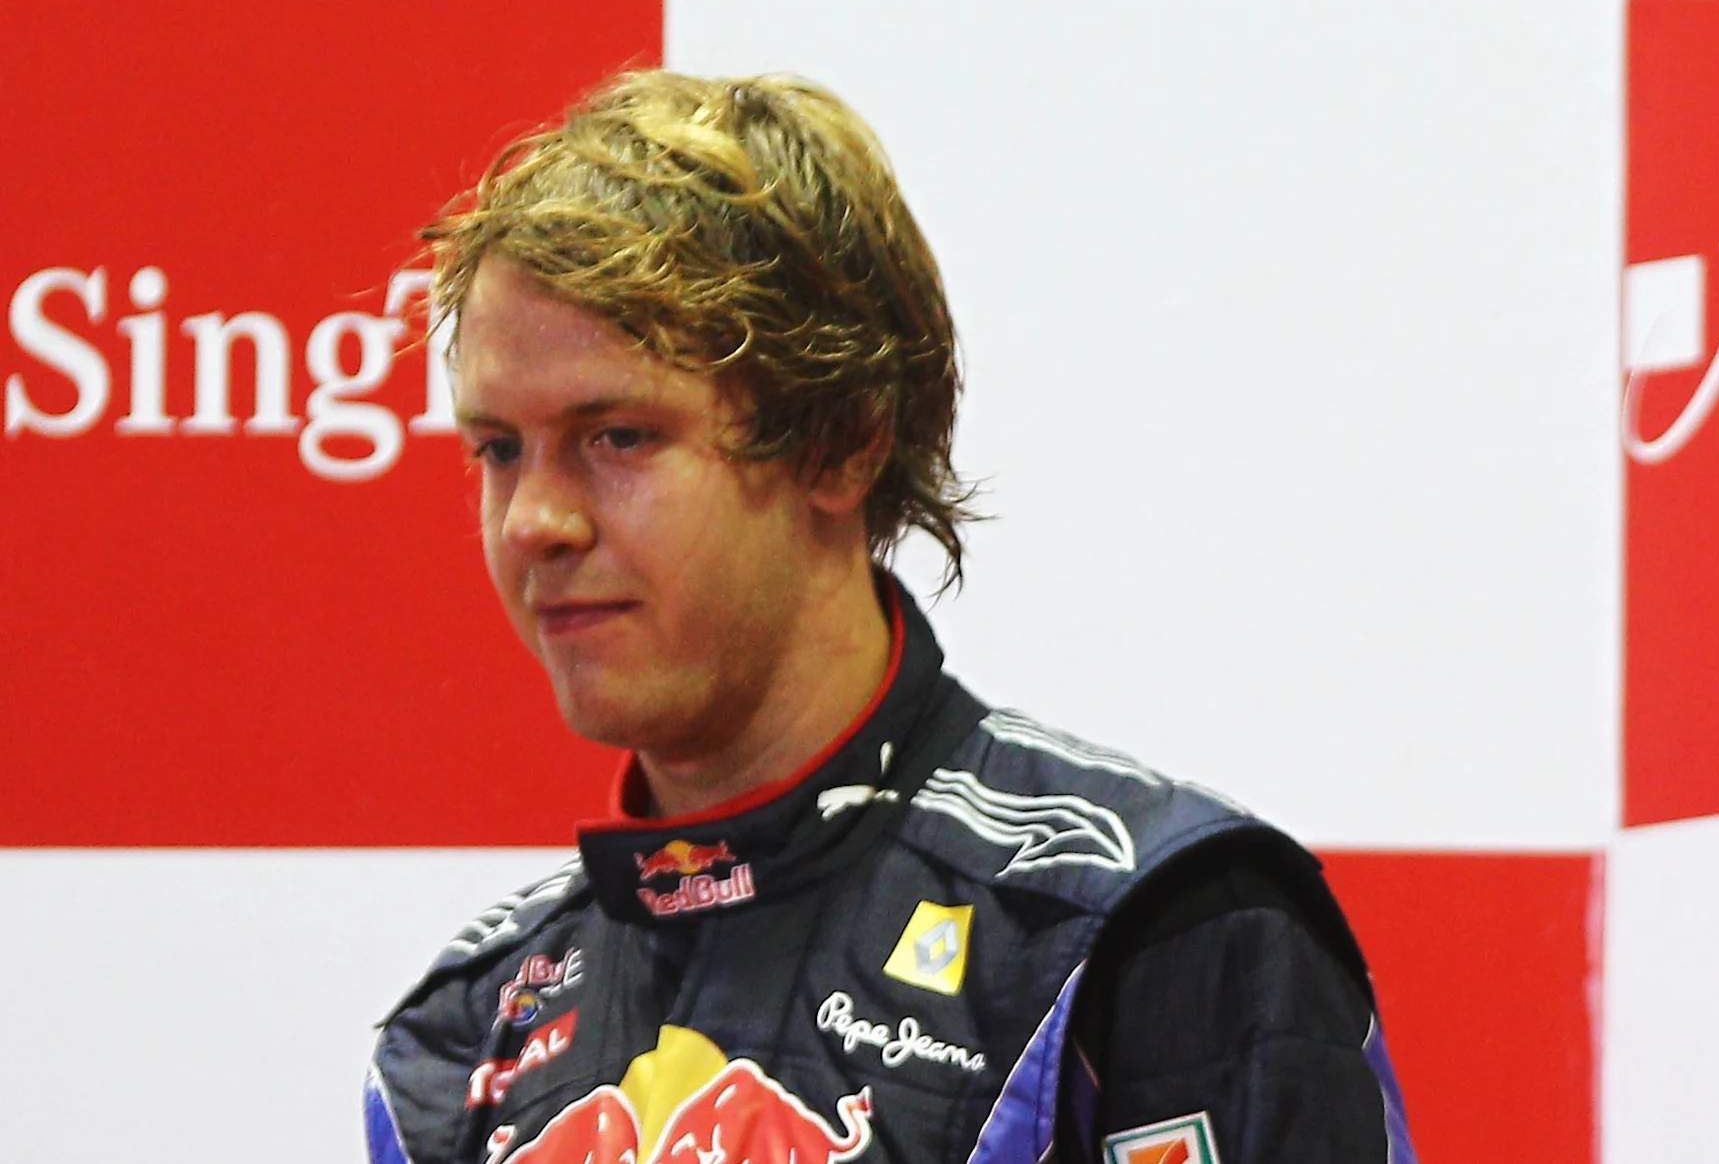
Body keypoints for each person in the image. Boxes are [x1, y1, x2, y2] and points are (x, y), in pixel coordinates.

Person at [365, 72, 1414, 1164]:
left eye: (617, 436)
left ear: (844, 440)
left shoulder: (1143, 931)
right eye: (497, 451)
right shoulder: (459, 1041)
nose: (535, 520)